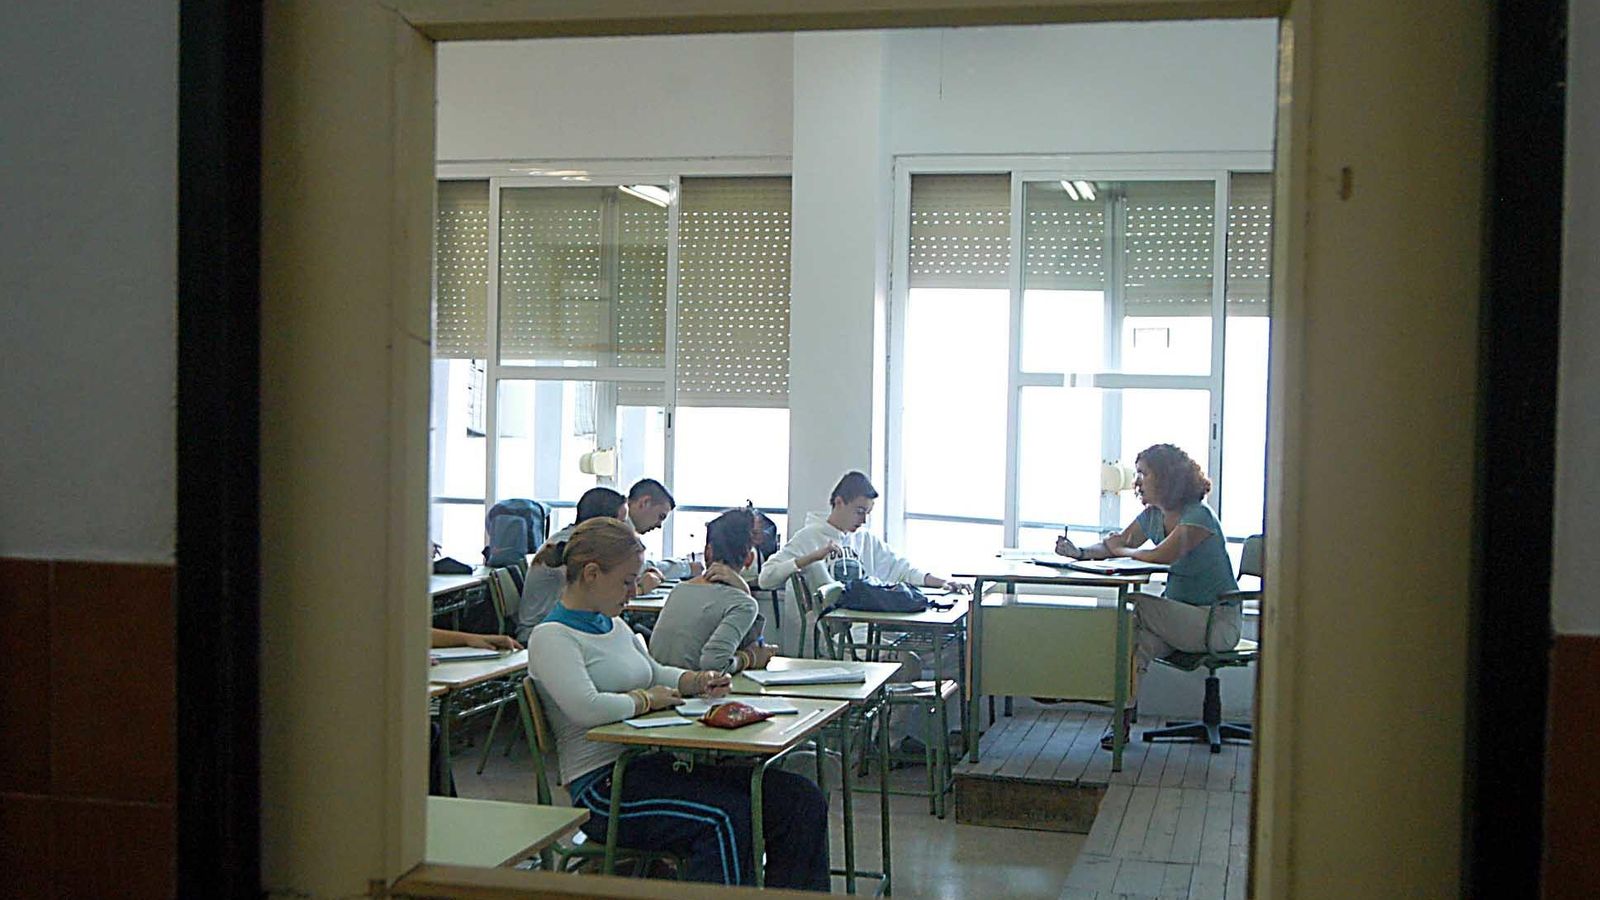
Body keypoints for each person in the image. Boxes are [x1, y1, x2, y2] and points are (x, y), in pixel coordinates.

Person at [527, 518, 831, 890]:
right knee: (725, 818)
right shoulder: (552, 638)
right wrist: (644, 701)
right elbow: (587, 708)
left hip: (648, 767)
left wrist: (695, 681)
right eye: (626, 581)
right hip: (605, 790)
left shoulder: (613, 626)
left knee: (798, 799)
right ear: (591, 574)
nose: (633, 591)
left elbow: (653, 672)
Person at [1055, 443, 1240, 749]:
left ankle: (1079, 680)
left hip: (1215, 624)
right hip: (1181, 622)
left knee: (1134, 605)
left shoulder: (1199, 517)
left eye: (1143, 474)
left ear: (1166, 478)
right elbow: (1116, 543)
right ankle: (1120, 722)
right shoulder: (1153, 515)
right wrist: (1079, 552)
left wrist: (1119, 549)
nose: (1136, 482)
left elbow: (1158, 556)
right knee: (1134, 646)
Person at [757, 470, 967, 595]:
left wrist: (943, 583)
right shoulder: (809, 537)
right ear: (839, 502)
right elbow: (765, 579)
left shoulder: (864, 539)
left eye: (867, 513)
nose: (863, 519)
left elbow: (902, 569)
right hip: (838, 634)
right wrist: (810, 558)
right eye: (859, 511)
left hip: (867, 625)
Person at [648, 507, 778, 673]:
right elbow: (714, 664)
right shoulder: (743, 604)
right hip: (696, 692)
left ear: (708, 552)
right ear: (749, 558)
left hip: (661, 688)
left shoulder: (679, 590)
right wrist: (750, 658)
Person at [513, 487, 629, 643]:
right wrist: (640, 587)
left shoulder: (579, 540)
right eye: (620, 523)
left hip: (564, 626)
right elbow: (599, 593)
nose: (624, 530)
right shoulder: (571, 548)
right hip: (539, 632)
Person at [626, 478, 703, 593]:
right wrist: (686, 568)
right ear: (644, 502)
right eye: (661, 516)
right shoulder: (617, 530)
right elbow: (636, 567)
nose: (659, 525)